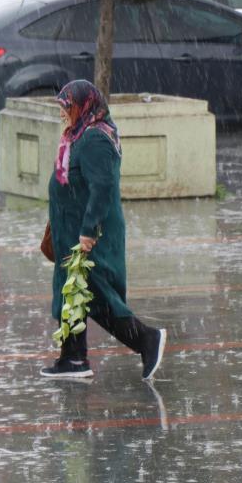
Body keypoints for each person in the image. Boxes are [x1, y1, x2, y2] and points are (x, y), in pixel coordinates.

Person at [40, 79, 166, 380]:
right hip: (70, 233)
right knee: (70, 294)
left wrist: (88, 231)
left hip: (90, 235)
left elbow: (102, 188)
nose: (62, 113)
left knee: (99, 298)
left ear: (84, 106)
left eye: (66, 106)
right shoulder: (77, 135)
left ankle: (147, 339)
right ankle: (73, 359)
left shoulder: (96, 139)